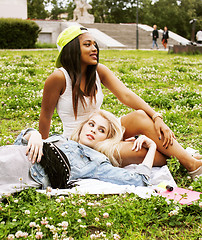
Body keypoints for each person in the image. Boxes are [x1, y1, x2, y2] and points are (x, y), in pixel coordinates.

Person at [39, 25, 201, 178]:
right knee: (142, 152)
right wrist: (43, 151)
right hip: (82, 140)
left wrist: (157, 117)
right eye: (87, 45)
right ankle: (187, 160)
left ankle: (190, 163)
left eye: (95, 44)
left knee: (140, 116)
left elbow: (126, 95)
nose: (94, 48)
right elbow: (45, 117)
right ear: (72, 50)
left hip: (102, 128)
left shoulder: (98, 71)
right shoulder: (58, 78)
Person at [0, 110, 158, 197]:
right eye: (91, 124)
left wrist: (151, 146)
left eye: (101, 130)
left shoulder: (96, 162)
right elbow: (20, 142)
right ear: (83, 126)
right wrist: (34, 134)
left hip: (22, 174)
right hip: (11, 154)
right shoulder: (61, 138)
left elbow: (140, 180)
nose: (93, 130)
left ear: (107, 139)